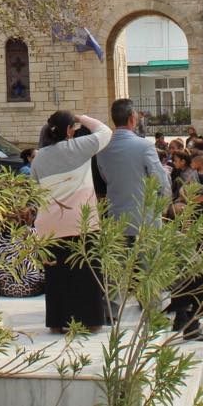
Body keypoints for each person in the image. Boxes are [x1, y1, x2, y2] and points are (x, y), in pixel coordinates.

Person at [31, 111, 113, 334]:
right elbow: (105, 132)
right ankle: (90, 320)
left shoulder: (39, 157)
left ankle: (58, 321)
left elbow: (35, 189)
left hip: (50, 224)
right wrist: (82, 117)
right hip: (81, 221)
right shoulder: (79, 147)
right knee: (86, 273)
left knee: (57, 276)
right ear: (69, 130)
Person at [95, 98, 171, 238]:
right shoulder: (145, 146)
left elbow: (105, 177)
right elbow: (160, 181)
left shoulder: (102, 149)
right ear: (132, 118)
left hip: (116, 217)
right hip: (144, 218)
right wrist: (163, 205)